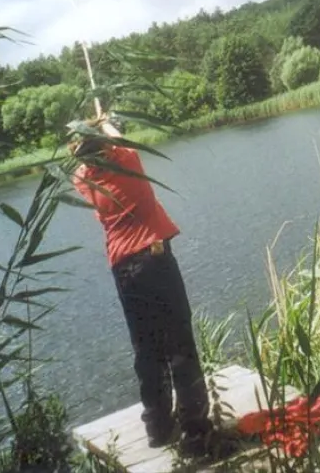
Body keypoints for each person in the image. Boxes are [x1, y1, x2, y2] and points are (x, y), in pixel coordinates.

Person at [69, 114, 232, 459]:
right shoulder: (126, 161)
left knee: (146, 348)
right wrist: (107, 121)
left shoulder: (84, 180)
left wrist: (94, 131)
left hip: (123, 268)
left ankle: (157, 427)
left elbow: (86, 161)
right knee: (179, 345)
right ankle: (194, 433)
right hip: (153, 258)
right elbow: (123, 141)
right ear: (105, 146)